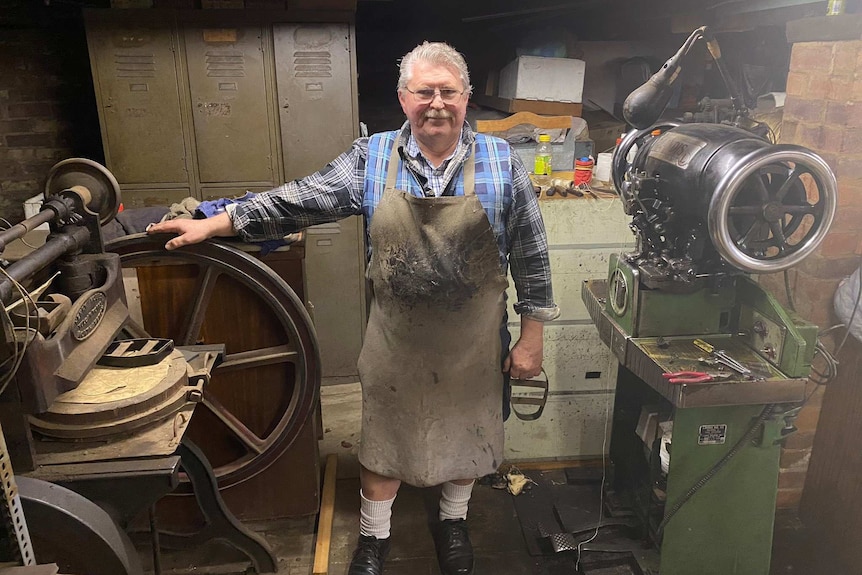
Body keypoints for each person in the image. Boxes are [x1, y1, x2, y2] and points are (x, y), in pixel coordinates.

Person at [147, 41, 559, 575]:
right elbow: (299, 198)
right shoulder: (372, 157)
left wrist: (532, 336)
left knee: (471, 434)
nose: (436, 102)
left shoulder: (504, 162)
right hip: (396, 338)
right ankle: (373, 537)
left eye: (448, 91)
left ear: (466, 99)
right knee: (384, 439)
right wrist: (214, 222)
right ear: (402, 97)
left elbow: (532, 253)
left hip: (475, 339)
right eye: (423, 91)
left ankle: (453, 522)